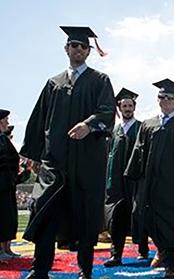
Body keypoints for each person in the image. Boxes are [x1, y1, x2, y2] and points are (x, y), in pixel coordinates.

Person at [20, 26, 115, 279]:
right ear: (66, 49)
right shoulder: (54, 83)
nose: (78, 50)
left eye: (83, 46)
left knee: (85, 215)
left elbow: (107, 112)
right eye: (74, 45)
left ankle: (85, 270)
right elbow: (39, 119)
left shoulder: (100, 80)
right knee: (45, 210)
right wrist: (33, 155)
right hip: (56, 160)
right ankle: (40, 270)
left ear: (88, 51)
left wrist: (89, 124)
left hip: (87, 161)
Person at [125, 78, 174, 277]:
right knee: (147, 218)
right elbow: (138, 149)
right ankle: (160, 248)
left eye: (169, 97)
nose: (165, 100)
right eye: (162, 97)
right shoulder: (148, 125)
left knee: (172, 222)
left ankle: (171, 263)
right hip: (150, 183)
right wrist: (132, 173)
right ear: (157, 99)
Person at [103, 88, 148, 267]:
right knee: (116, 217)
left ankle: (143, 249)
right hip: (115, 183)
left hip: (135, 181)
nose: (127, 109)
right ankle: (116, 255)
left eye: (130, 105)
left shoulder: (141, 128)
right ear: (119, 108)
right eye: (124, 106)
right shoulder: (114, 130)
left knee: (139, 214)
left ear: (134, 108)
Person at [0, 110, 20, 261]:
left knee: (9, 217)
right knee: (2, 217)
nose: (7, 122)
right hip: (2, 185)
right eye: (6, 120)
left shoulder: (2, 139)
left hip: (7, 184)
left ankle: (6, 249)